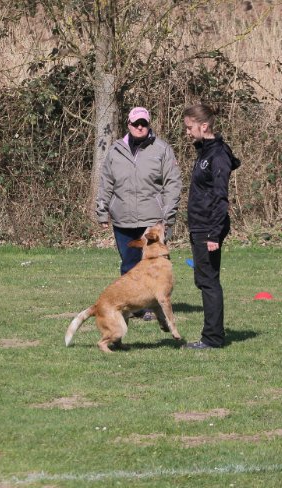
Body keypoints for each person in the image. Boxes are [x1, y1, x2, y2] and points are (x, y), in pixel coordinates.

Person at [96, 106, 183, 319]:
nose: (140, 127)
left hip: (152, 220)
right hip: (122, 219)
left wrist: (168, 215)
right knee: (128, 265)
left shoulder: (162, 149)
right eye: (136, 123)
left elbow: (173, 183)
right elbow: (106, 183)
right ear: (129, 124)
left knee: (154, 266)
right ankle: (130, 306)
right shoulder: (115, 150)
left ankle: (152, 306)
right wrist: (102, 211)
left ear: (149, 124)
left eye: (144, 123)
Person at [182, 103, 241, 349]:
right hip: (200, 225)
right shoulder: (205, 152)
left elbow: (220, 198)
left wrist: (214, 234)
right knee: (204, 279)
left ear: (203, 126)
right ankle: (212, 335)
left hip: (209, 227)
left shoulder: (217, 156)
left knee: (208, 282)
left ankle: (212, 338)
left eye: (190, 127)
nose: (187, 132)